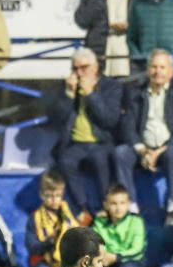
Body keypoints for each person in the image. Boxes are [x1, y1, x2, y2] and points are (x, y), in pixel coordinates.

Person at [115, 49, 173, 225]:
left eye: (162, 67)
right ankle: (131, 208)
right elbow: (127, 125)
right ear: (147, 69)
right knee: (121, 153)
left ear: (171, 72)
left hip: (168, 147)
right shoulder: (135, 93)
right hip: (142, 147)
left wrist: (158, 152)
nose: (158, 71)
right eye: (154, 67)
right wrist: (142, 150)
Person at [49, 48, 124, 219]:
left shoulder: (111, 87)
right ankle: (83, 209)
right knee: (65, 161)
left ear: (96, 67)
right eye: (75, 68)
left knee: (100, 160)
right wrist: (68, 95)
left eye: (84, 67)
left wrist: (91, 95)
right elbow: (55, 120)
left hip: (101, 141)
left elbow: (109, 120)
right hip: (75, 142)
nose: (80, 72)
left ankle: (104, 208)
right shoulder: (66, 87)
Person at [75, 0, 143, 78]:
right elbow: (82, 21)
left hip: (128, 60)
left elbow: (145, 26)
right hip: (100, 57)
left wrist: (130, 26)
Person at [26, 172, 79, 267]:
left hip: (68, 261)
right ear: (42, 195)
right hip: (44, 261)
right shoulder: (35, 218)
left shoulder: (69, 213)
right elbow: (32, 246)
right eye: (49, 196)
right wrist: (49, 242)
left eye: (58, 196)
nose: (54, 200)